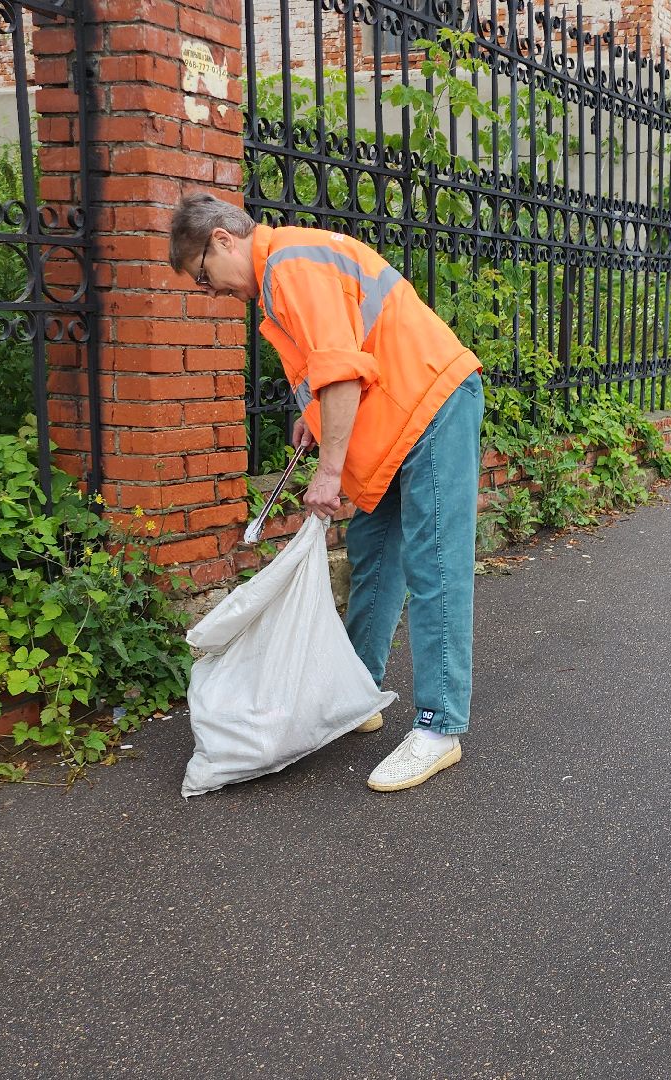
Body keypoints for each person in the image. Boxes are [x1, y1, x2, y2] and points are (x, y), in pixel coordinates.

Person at [170, 193, 483, 793]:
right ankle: (354, 694)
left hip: (431, 406)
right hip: (398, 416)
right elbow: (340, 360)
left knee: (434, 567)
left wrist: (329, 471)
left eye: (206, 278)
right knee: (372, 557)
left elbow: (340, 371)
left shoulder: (289, 265)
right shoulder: (284, 270)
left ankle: (440, 728)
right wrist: (315, 417)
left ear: (222, 240)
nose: (214, 293)